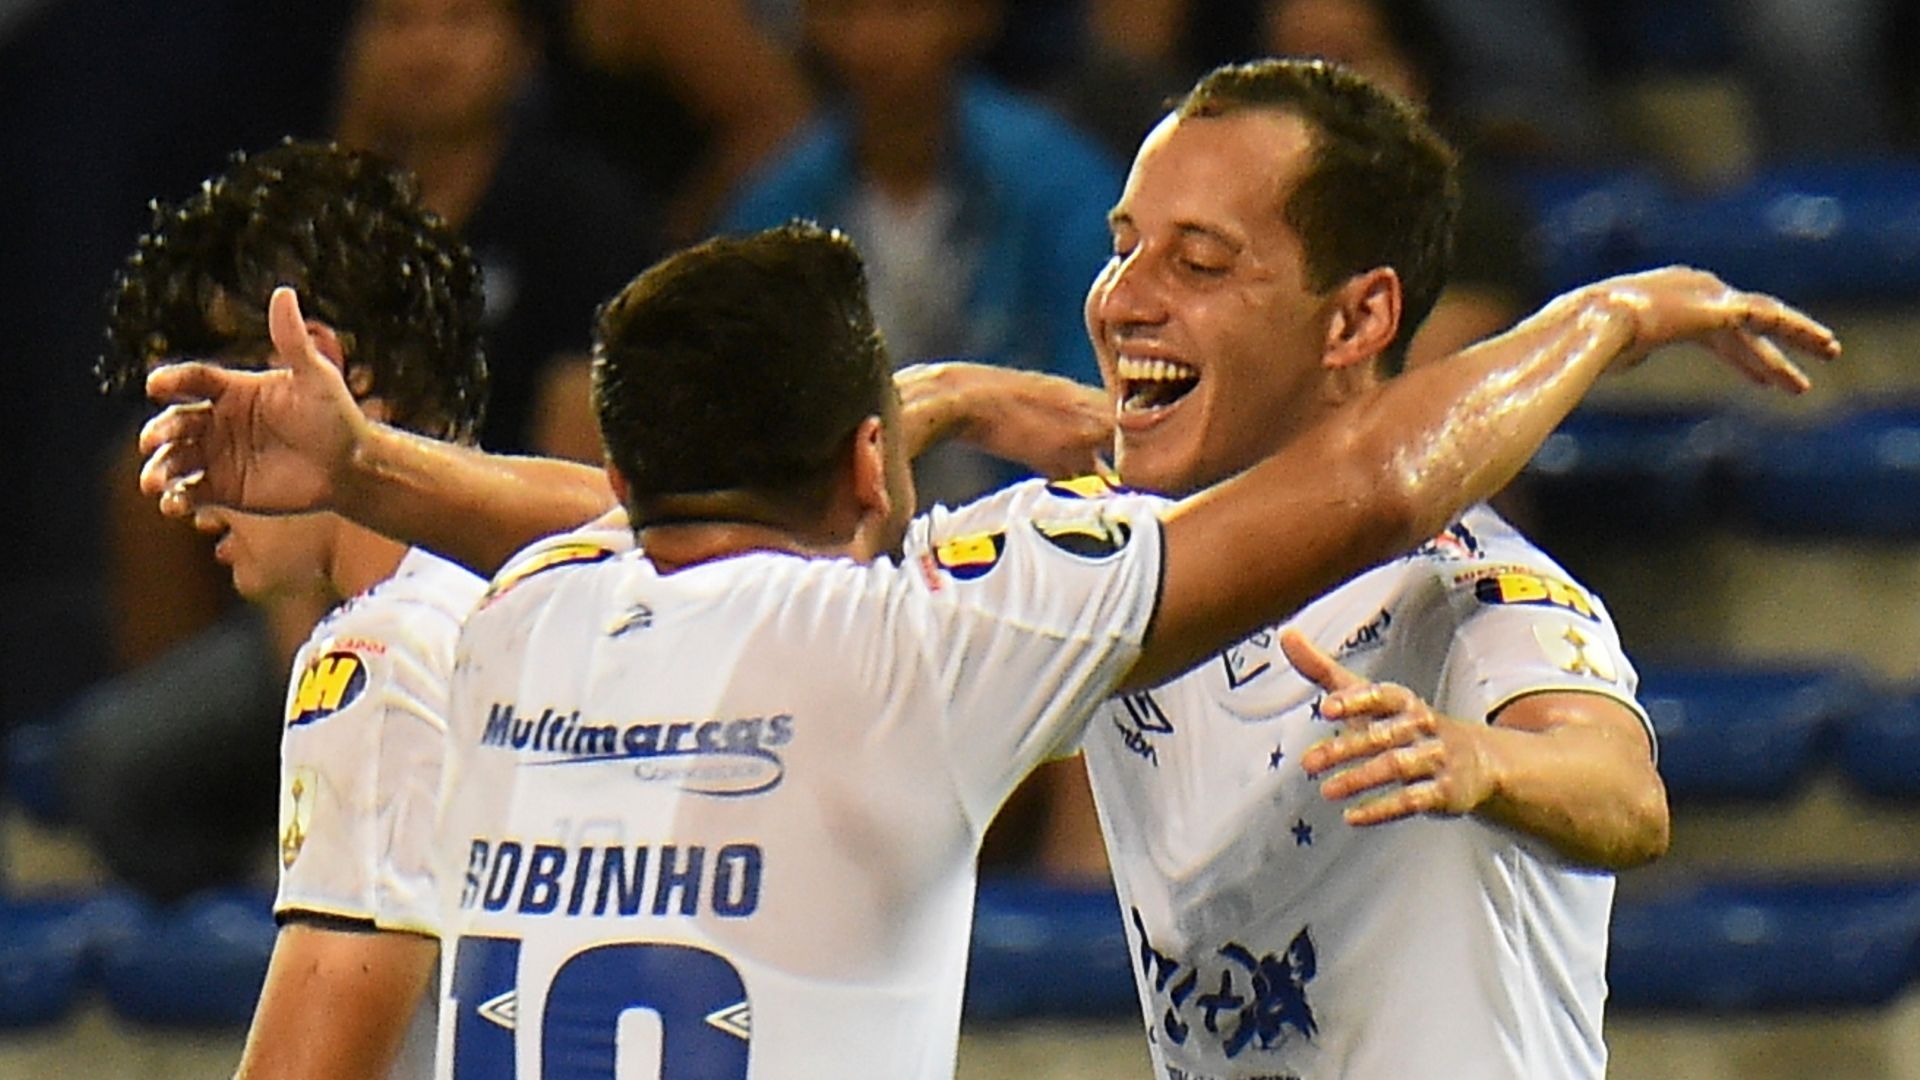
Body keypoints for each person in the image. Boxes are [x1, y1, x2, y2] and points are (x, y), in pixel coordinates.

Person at [139, 208, 1829, 1075]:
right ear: (870, 465)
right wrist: (1611, 311)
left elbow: (606, 519)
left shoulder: (512, 623)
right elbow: (1377, 482)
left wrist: (367, 467)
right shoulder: (917, 654)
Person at [96, 140, 493, 1079]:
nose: (179, 487)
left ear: (313, 370)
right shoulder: (532, 604)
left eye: (200, 416)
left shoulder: (380, 653)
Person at [721, 0, 1124, 507]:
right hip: (831, 538)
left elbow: (1093, 397)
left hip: (1030, 521)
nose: (870, 40)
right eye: (842, 11)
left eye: (903, 10)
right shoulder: (771, 206)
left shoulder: (1064, 186)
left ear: (971, 15)